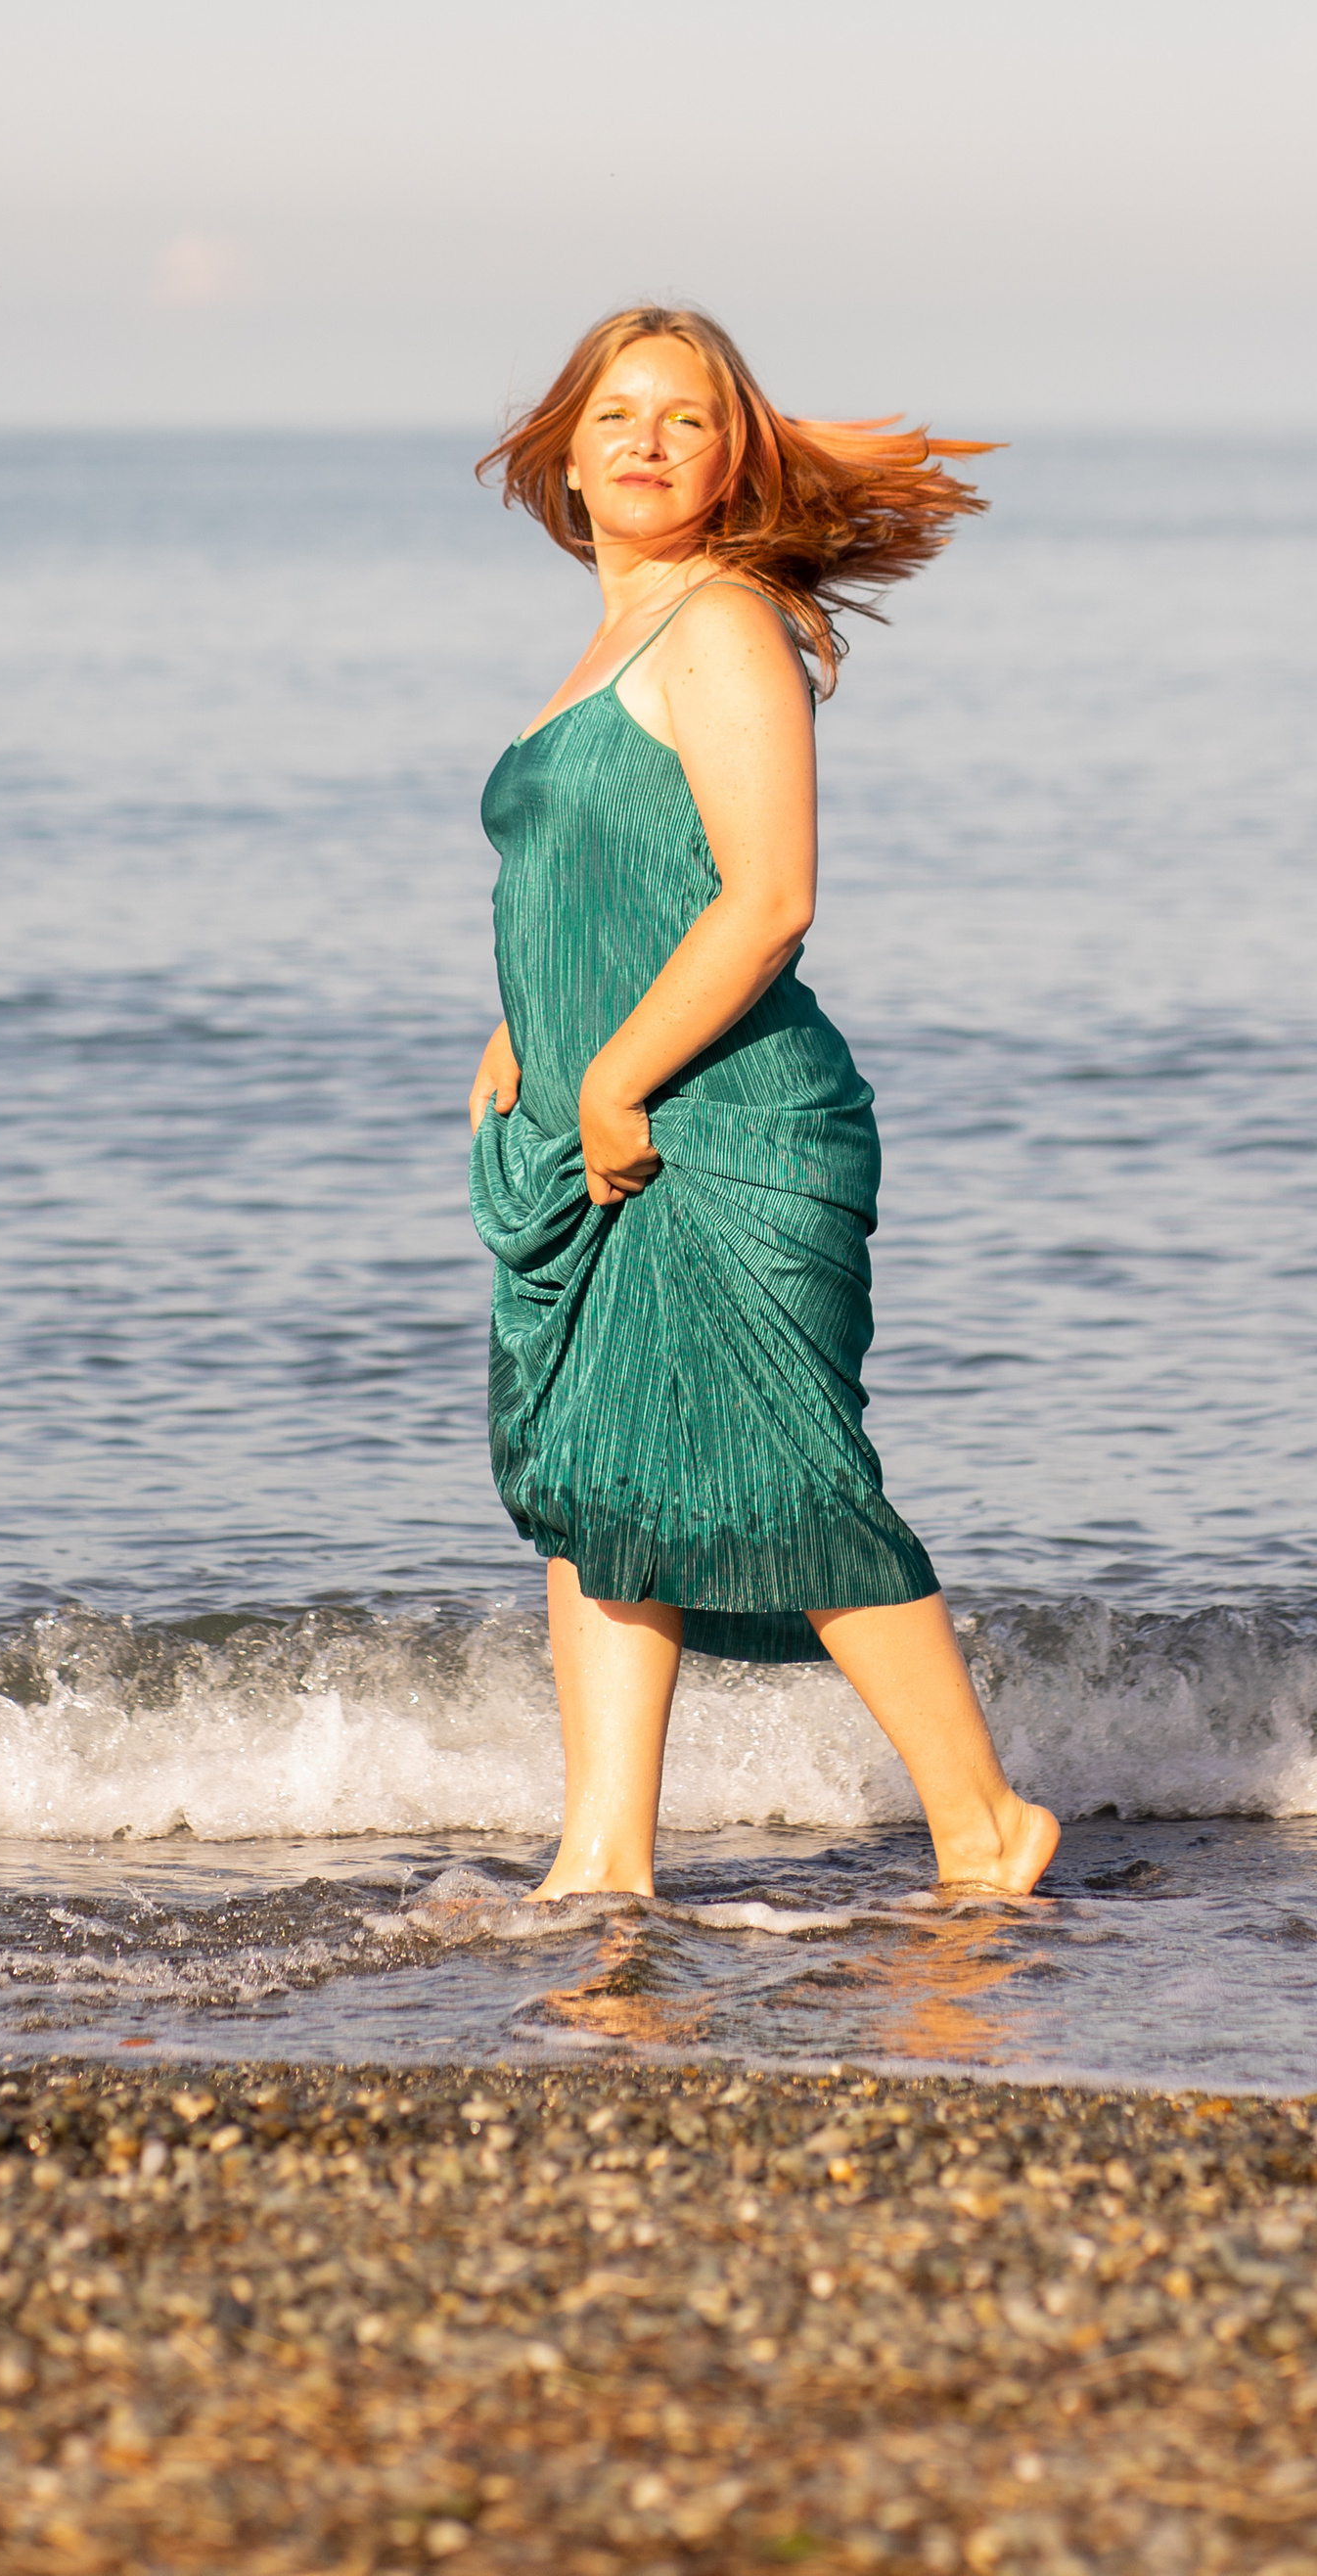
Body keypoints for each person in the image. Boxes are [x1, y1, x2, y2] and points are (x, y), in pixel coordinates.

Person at [467, 304, 1058, 1906]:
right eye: (616, 417)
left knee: (782, 1475)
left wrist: (610, 1071)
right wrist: (524, 1030)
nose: (647, 441)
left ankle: (986, 1825)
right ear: (563, 463)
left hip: (715, 1126)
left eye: (685, 419)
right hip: (599, 1116)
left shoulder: (720, 625)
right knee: (599, 1480)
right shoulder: (615, 637)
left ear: (732, 465)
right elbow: (596, 872)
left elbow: (767, 897)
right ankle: (602, 1857)